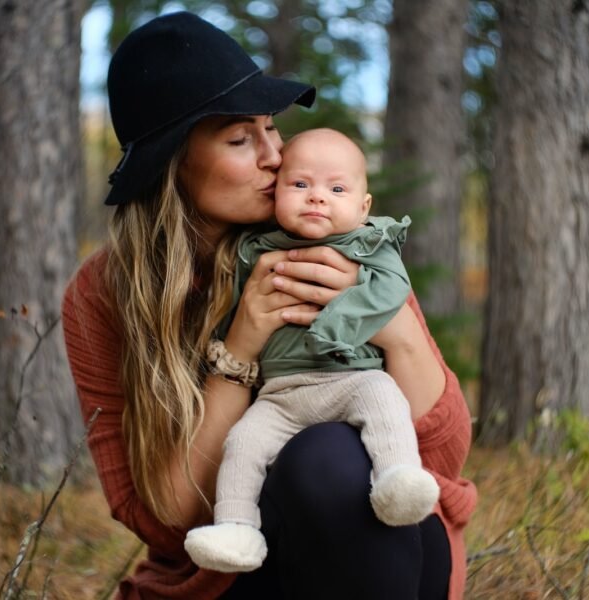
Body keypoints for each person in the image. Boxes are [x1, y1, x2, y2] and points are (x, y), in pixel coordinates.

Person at [61, 11, 477, 600]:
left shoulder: (337, 237)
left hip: (388, 549)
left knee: (328, 457)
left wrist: (393, 326)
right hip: (232, 572)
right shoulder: (104, 294)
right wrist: (240, 347)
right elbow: (164, 519)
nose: (275, 156)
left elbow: (443, 455)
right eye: (240, 138)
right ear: (172, 167)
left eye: (271, 128)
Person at [184, 128, 440, 574]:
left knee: (383, 395)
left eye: (336, 189)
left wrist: (340, 317)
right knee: (243, 441)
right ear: (276, 192)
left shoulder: (368, 244)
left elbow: (393, 291)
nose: (317, 198)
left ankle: (396, 478)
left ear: (364, 207)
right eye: (300, 185)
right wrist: (233, 342)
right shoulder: (256, 248)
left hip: (350, 380)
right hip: (281, 393)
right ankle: (236, 527)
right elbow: (228, 308)